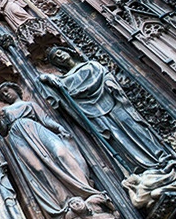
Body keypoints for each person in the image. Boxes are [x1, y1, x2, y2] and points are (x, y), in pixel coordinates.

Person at [0, 82, 114, 219]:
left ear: (16, 89)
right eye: (2, 95)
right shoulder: (5, 111)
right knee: (38, 169)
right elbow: (3, 132)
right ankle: (64, 202)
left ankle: (84, 189)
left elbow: (45, 119)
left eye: (7, 90)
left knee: (61, 154)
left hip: (36, 129)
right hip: (18, 137)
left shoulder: (30, 105)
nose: (6, 94)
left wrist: (59, 128)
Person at [40, 46, 169, 173]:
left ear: (68, 52)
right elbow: (52, 91)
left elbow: (107, 76)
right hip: (94, 113)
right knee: (117, 137)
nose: (60, 57)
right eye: (56, 58)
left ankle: (159, 156)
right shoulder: (63, 80)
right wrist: (46, 77)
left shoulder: (91, 65)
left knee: (132, 125)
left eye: (60, 53)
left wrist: (110, 85)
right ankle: (141, 167)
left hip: (113, 102)